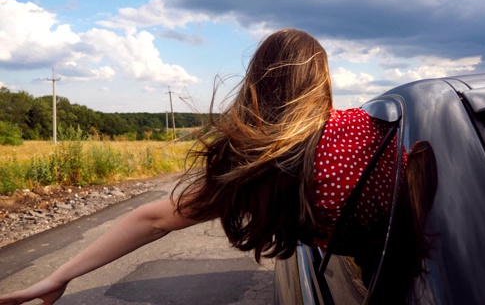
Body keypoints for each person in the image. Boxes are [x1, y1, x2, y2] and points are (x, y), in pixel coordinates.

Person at [0, 28, 404, 305]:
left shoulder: (261, 165)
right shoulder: (369, 129)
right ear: (322, 82)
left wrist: (60, 275)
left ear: (257, 82)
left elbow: (154, 219)